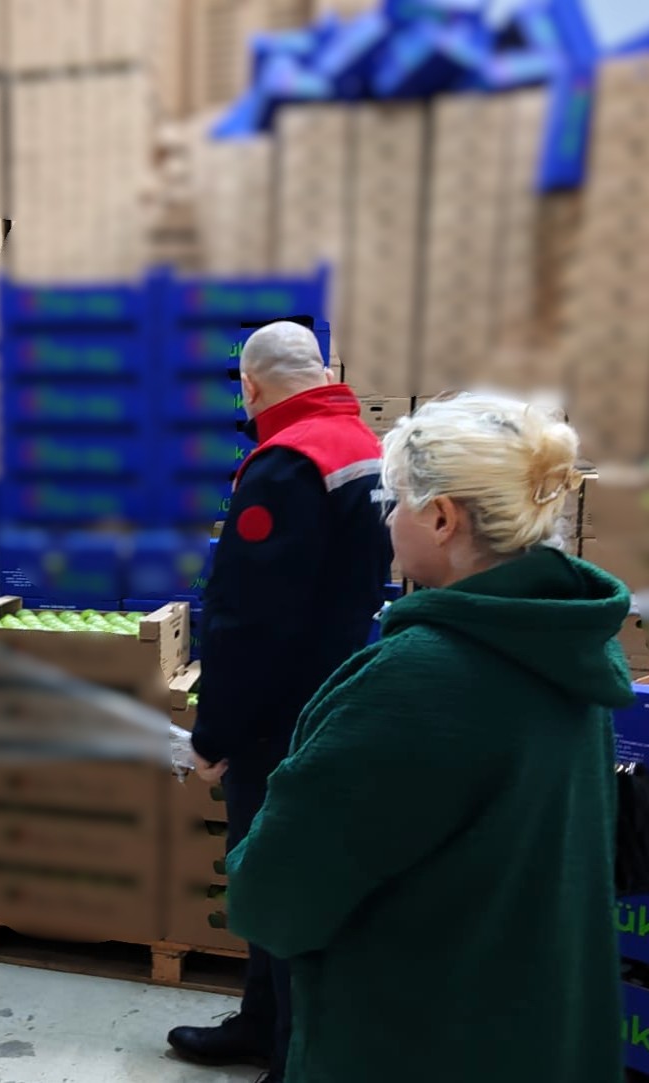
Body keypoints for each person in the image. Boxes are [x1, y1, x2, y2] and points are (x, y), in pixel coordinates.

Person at [224, 393, 635, 1082]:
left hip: (414, 1040)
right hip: (536, 1032)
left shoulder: (415, 682)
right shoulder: (571, 650)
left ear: (442, 518)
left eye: (396, 502)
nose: (388, 520)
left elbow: (274, 901)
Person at [168, 321, 392, 1082]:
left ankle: (291, 1055)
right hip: (334, 694)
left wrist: (215, 732)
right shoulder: (360, 445)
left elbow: (246, 617)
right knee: (283, 875)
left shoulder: (285, 463)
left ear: (250, 385)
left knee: (279, 880)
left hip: (277, 717)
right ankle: (263, 1024)